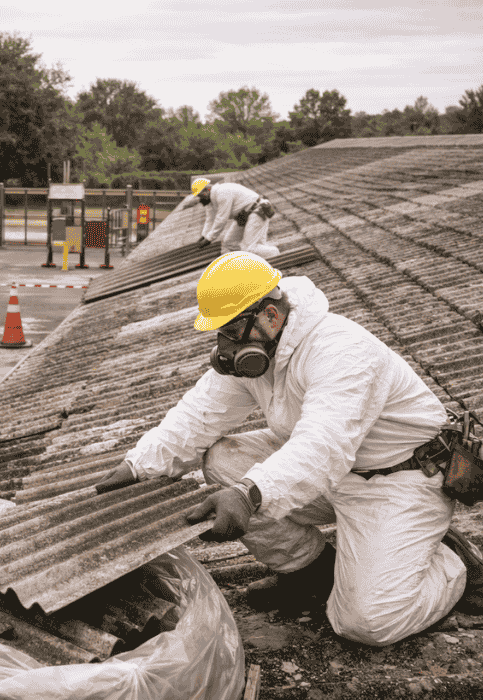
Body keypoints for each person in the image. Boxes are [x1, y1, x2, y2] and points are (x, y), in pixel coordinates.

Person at [95, 252, 483, 647]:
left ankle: (452, 562)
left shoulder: (341, 350)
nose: (225, 345)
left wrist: (249, 494)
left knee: (367, 623)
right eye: (220, 333)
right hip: (334, 476)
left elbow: (324, 443)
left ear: (269, 315)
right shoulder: (258, 357)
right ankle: (308, 574)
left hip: (398, 481)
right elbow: (199, 414)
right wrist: (138, 466)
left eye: (231, 330)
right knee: (224, 459)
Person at [176, 178, 280, 259]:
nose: (200, 200)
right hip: (245, 216)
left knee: (251, 248)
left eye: (200, 196)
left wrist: (209, 239)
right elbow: (210, 219)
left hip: (257, 211)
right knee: (229, 242)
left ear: (207, 190)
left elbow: (221, 219)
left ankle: (275, 254)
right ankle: (247, 261)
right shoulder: (210, 201)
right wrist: (203, 236)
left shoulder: (222, 193)